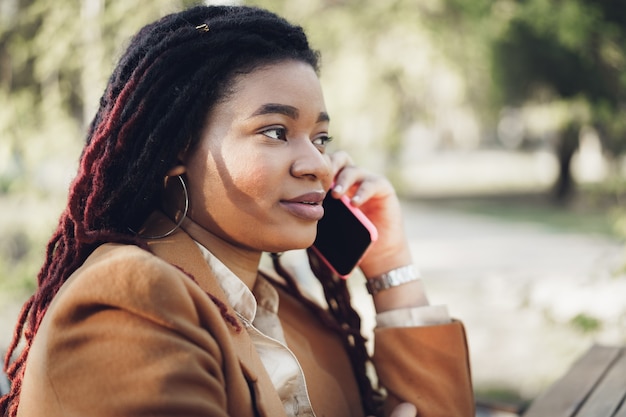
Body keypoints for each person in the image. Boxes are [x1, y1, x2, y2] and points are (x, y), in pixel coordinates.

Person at [0, 5, 473, 417]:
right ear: (176, 149)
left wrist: (391, 270)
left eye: (320, 138)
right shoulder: (131, 302)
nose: (319, 166)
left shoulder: (287, 311)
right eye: (275, 131)